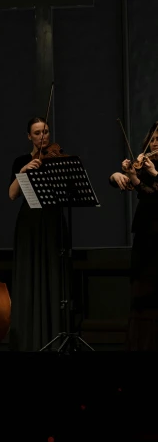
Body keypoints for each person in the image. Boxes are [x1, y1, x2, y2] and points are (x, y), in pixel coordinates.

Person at [8, 117, 68, 352]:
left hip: (53, 220)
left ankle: (56, 336)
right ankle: (29, 341)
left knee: (54, 274)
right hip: (30, 224)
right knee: (29, 275)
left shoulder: (58, 157)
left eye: (45, 131)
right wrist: (23, 172)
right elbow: (12, 194)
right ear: (29, 137)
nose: (43, 136)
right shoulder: (22, 161)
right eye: (37, 133)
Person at [110, 120, 158, 350]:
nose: (156, 143)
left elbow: (152, 192)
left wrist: (153, 173)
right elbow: (138, 187)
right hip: (146, 232)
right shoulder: (147, 164)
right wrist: (117, 176)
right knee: (141, 293)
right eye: (154, 138)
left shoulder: (152, 168)